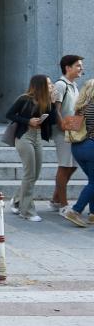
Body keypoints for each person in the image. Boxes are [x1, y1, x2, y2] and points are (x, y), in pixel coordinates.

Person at [5, 74, 59, 222]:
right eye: (48, 84)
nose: (51, 86)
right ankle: (27, 211)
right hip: (24, 137)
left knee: (35, 174)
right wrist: (28, 120)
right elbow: (9, 114)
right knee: (29, 174)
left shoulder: (46, 101)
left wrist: (53, 104)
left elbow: (52, 121)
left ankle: (17, 199)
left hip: (37, 137)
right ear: (40, 85)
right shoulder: (24, 98)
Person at [51, 55, 84, 210]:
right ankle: (63, 205)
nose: (81, 68)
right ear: (67, 68)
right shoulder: (60, 85)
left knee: (73, 166)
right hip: (63, 133)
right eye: (78, 65)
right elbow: (55, 109)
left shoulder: (73, 85)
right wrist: (62, 126)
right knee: (65, 166)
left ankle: (55, 199)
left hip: (73, 131)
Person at [63, 79, 94, 227]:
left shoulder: (80, 107)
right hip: (91, 148)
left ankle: (93, 214)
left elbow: (71, 129)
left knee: (92, 181)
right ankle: (75, 211)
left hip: (77, 148)